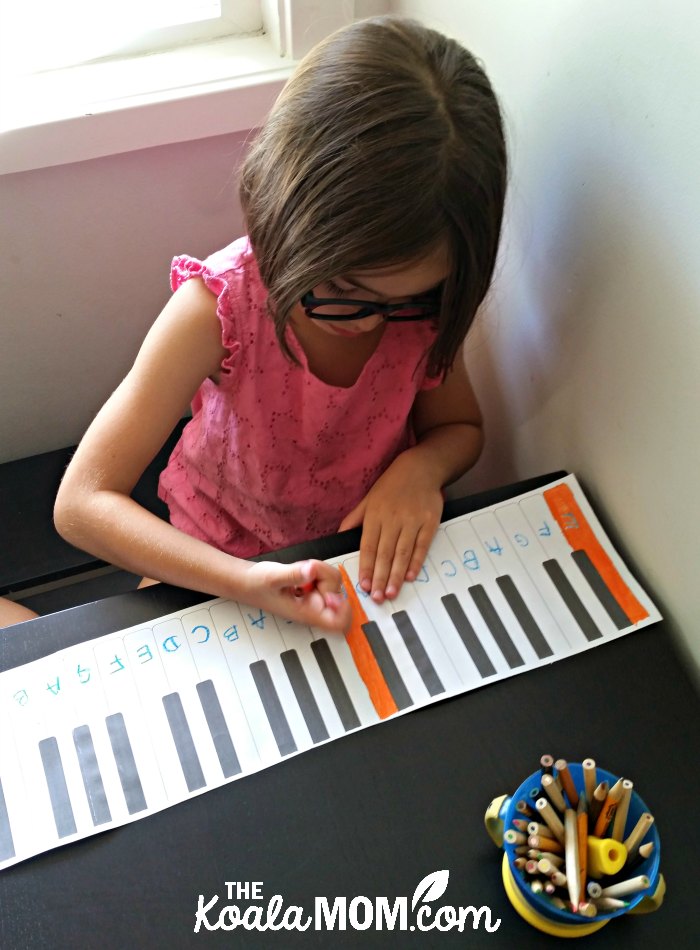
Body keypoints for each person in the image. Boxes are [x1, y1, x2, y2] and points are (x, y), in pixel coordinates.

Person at [0, 15, 507, 633]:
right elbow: (81, 503)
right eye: (344, 289)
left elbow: (460, 426)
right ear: (280, 210)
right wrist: (241, 579)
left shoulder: (425, 312)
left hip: (353, 560)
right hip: (211, 558)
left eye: (406, 300)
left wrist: (422, 469)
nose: (373, 321)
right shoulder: (216, 307)